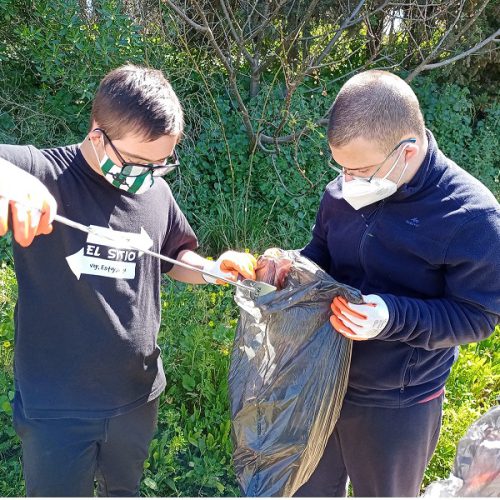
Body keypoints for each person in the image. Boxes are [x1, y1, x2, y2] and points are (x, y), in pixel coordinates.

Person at [0, 64, 256, 497]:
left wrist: (211, 268)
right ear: (97, 133)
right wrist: (10, 180)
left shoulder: (154, 190)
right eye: (138, 161)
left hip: (137, 397)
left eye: (161, 163)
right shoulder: (41, 171)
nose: (148, 173)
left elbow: (174, 256)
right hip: (56, 406)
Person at [294, 70, 500, 497]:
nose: (346, 183)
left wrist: (392, 316)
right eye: (341, 168)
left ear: (407, 151)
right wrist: (290, 269)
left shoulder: (472, 218)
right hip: (322, 376)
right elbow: (321, 251)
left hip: (398, 401)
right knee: (306, 490)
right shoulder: (346, 189)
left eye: (361, 169)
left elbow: (477, 318)